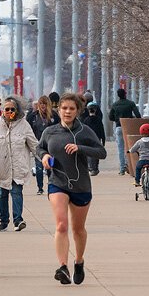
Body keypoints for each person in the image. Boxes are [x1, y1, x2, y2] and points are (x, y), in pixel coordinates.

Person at [38, 93, 108, 285]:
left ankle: (78, 261)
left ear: (78, 111)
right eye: (64, 108)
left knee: (78, 229)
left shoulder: (85, 131)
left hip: (80, 185)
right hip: (57, 181)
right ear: (58, 109)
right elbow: (39, 148)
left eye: (72, 109)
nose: (67, 112)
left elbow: (101, 152)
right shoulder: (50, 131)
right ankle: (63, 266)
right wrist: (44, 157)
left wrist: (80, 148)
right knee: (61, 225)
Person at [0, 96, 38, 231]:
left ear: (17, 110)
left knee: (16, 192)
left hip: (18, 167)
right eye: (6, 109)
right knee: (2, 194)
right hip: (1, 168)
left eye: (12, 109)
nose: (9, 112)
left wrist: (43, 157)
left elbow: (34, 144)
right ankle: (3, 221)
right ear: (2, 111)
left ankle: (18, 220)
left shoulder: (24, 125)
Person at [27, 95, 58, 194]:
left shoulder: (54, 116)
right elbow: (28, 129)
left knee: (50, 167)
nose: (43, 106)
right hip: (38, 145)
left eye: (45, 103)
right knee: (39, 167)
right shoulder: (33, 116)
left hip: (51, 145)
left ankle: (51, 185)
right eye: (41, 103)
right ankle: (40, 187)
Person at [108, 88, 141, 175]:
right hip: (129, 127)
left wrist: (117, 119)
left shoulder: (115, 104)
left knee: (120, 148)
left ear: (118, 95)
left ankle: (122, 168)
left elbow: (110, 117)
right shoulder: (131, 103)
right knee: (130, 147)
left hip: (119, 127)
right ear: (125, 94)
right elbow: (138, 115)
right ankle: (130, 166)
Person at [82, 101, 107, 175]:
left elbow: (84, 130)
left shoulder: (86, 120)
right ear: (96, 110)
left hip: (88, 139)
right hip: (97, 138)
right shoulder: (99, 120)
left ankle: (90, 168)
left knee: (89, 153)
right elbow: (102, 130)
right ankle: (95, 167)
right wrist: (103, 140)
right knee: (96, 153)